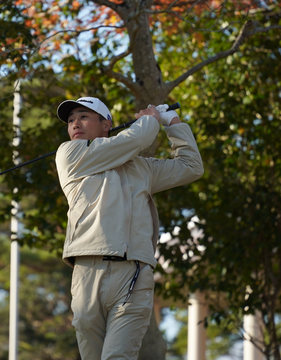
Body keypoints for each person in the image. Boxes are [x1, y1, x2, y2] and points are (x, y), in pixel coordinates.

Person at [54, 96, 204, 360]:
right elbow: (135, 139)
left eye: (83, 116)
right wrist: (150, 119)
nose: (75, 123)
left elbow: (191, 167)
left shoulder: (142, 167)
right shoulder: (70, 153)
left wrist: (173, 124)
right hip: (87, 271)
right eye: (70, 120)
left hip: (133, 272)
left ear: (106, 125)